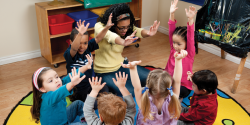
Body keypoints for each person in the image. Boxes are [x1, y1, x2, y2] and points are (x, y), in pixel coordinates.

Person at [93, 3, 161, 96]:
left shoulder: (127, 28)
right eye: (121, 28)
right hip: (104, 72)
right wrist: (123, 42)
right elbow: (109, 36)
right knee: (131, 92)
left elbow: (138, 31)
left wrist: (148, 33)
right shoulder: (99, 26)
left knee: (153, 78)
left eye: (127, 27)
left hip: (122, 65)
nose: (125, 30)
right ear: (113, 24)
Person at [122, 50, 188, 124]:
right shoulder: (173, 101)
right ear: (168, 89)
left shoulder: (144, 104)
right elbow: (177, 81)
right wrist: (178, 60)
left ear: (148, 89)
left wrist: (132, 68)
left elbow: (137, 88)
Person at [64, 14, 114, 103]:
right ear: (71, 42)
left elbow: (98, 38)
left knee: (106, 89)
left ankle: (95, 98)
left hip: (89, 84)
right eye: (79, 42)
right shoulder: (70, 54)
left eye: (85, 43)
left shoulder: (87, 48)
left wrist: (107, 27)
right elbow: (74, 48)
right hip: (77, 90)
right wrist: (80, 34)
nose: (82, 46)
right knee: (93, 103)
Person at [30, 55, 92, 125]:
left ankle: (84, 119)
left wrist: (86, 66)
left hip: (64, 118)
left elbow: (72, 75)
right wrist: (72, 84)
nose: (56, 80)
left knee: (78, 104)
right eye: (50, 81)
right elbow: (60, 92)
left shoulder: (58, 84)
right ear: (42, 89)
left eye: (56, 77)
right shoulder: (48, 98)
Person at [165, 0, 197, 100]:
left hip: (183, 86)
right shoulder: (173, 49)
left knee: (173, 94)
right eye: (174, 42)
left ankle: (176, 102)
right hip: (168, 81)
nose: (175, 46)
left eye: (179, 44)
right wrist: (171, 13)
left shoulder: (189, 53)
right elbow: (171, 30)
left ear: (186, 44)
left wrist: (191, 19)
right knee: (157, 85)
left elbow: (191, 37)